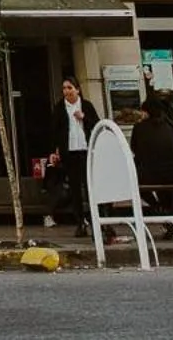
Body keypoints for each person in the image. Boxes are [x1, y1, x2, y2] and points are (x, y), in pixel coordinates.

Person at [130, 95, 173, 235]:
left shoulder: (139, 128)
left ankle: (159, 208)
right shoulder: (171, 125)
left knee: (137, 182)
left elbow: (135, 149)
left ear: (147, 111)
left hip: (153, 174)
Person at [46, 77, 99, 234]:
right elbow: (54, 132)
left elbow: (97, 124)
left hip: (86, 150)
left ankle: (95, 218)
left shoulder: (86, 105)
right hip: (69, 152)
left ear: (77, 89)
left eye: (69, 88)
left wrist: (84, 118)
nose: (66, 91)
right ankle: (80, 222)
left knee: (89, 186)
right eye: (64, 88)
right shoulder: (60, 108)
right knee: (75, 188)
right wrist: (53, 152)